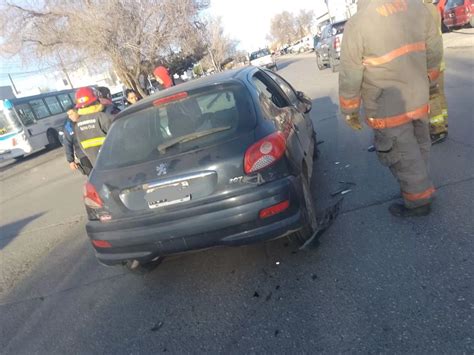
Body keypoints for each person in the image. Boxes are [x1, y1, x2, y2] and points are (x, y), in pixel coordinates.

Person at [338, 0, 443, 217]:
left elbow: (351, 73)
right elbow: (434, 50)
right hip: (418, 95)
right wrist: (430, 82)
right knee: (420, 145)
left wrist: (350, 110)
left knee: (403, 154)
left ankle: (418, 202)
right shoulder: (417, 7)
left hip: (388, 106)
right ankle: (420, 187)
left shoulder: (358, 23)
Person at [423, 0, 448, 143]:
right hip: (439, 61)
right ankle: (443, 122)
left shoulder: (423, 11)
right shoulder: (432, 9)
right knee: (439, 94)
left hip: (431, 62)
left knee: (432, 95)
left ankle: (438, 129)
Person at [74, 87, 114, 165]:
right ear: (96, 100)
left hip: (96, 165)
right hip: (113, 161)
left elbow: (82, 147)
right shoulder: (103, 117)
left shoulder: (78, 124)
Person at [63, 105, 93, 175]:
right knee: (92, 176)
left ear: (77, 111)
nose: (70, 117)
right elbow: (67, 143)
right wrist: (71, 161)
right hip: (83, 155)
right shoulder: (68, 127)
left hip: (96, 151)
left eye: (71, 114)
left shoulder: (87, 118)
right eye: (68, 115)